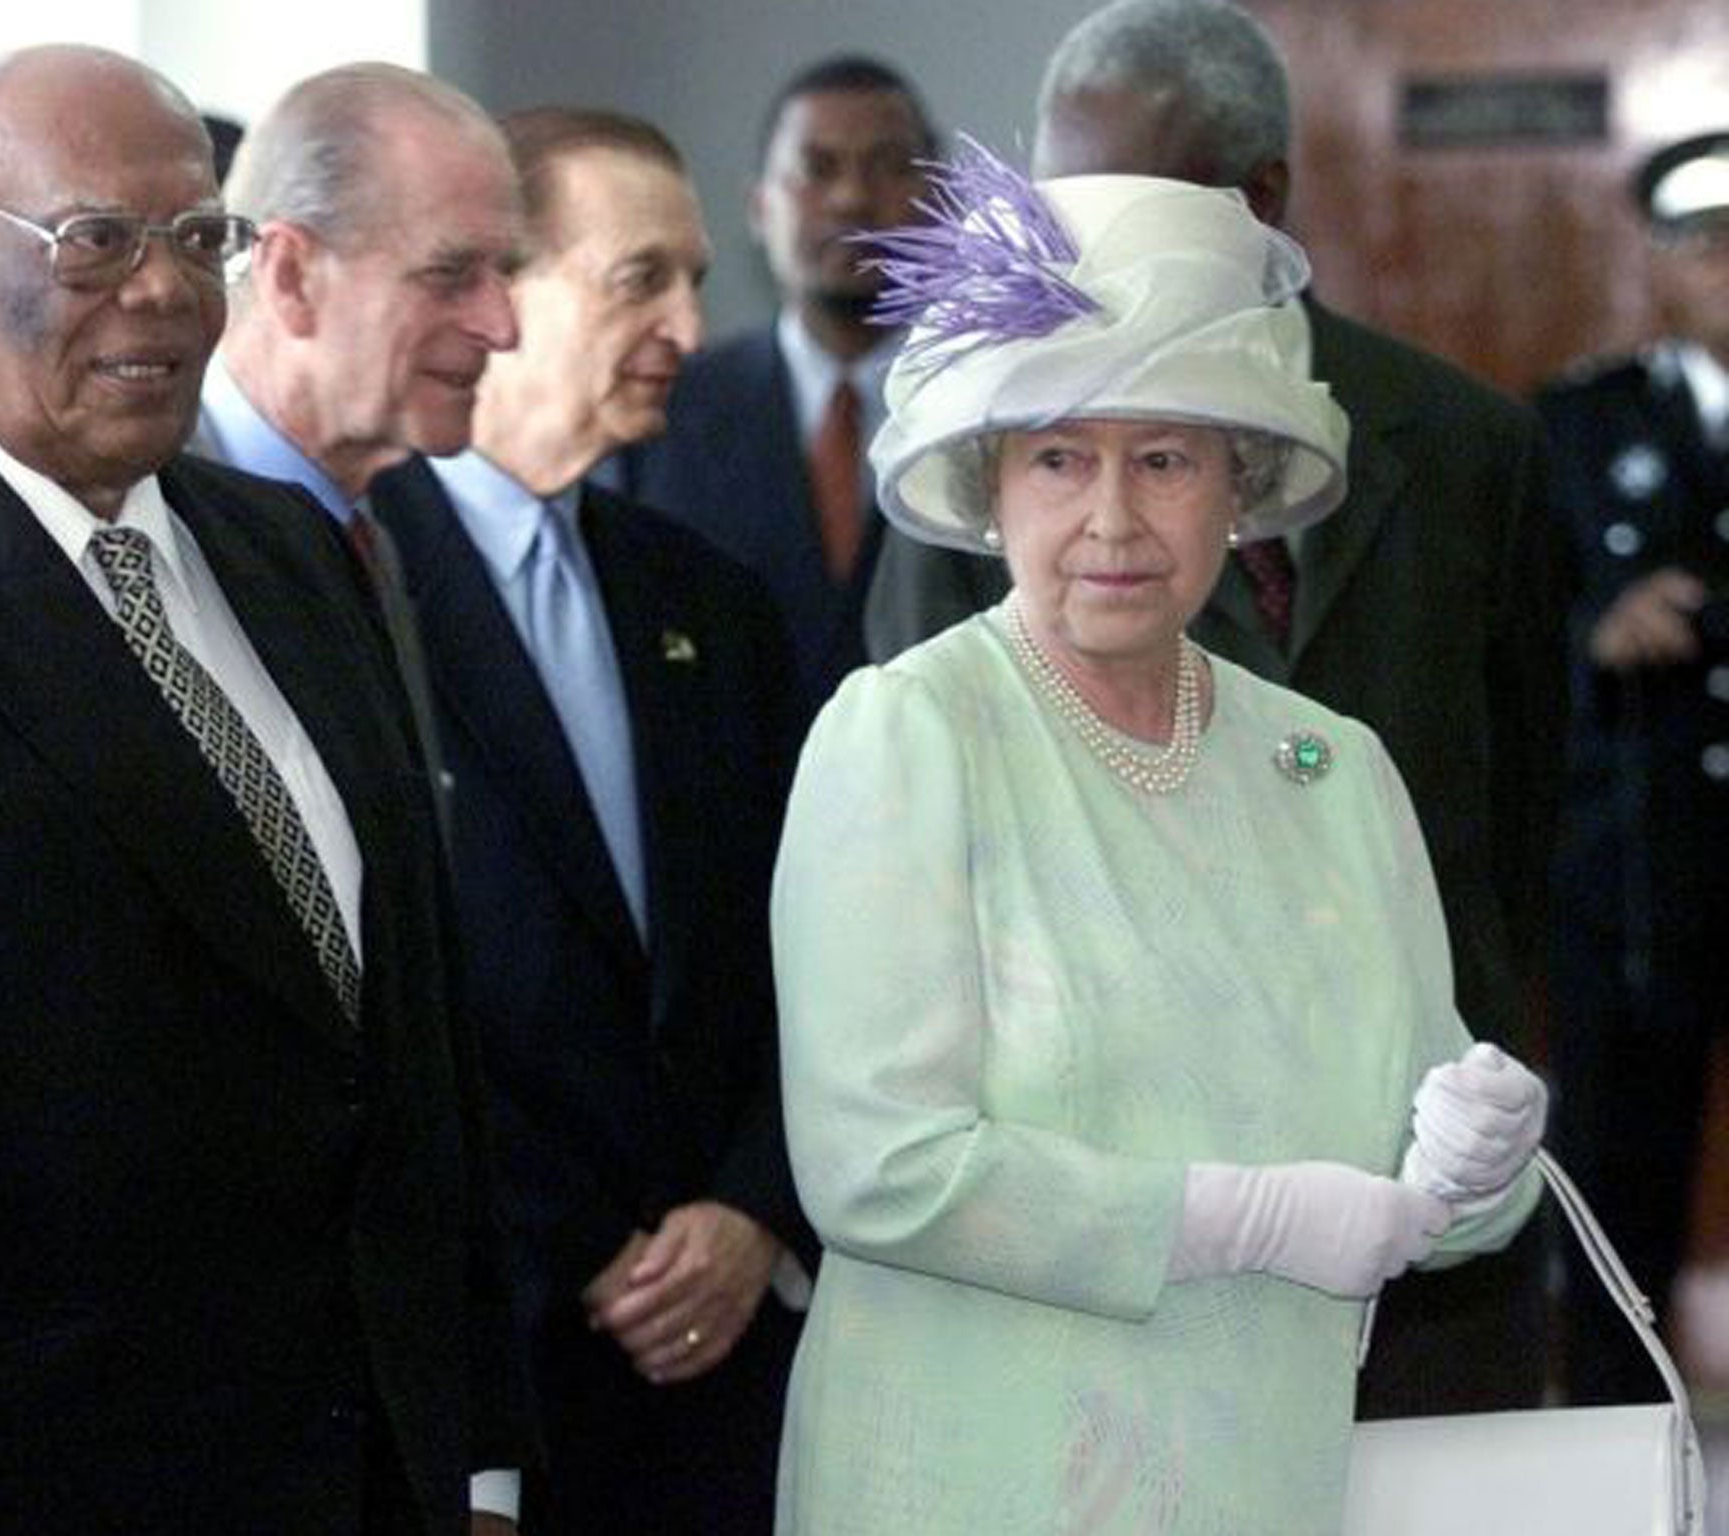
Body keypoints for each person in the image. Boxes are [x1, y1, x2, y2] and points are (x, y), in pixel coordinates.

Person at [0, 44, 527, 1534]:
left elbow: (407, 1045)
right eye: (94, 241)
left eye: (198, 238)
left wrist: (480, 1460)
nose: (161, 291)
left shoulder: (294, 553)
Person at [772, 152, 1547, 1533]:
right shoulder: (909, 735)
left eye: (1168, 460)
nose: (1115, 520)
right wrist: (1245, 1220)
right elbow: (877, 1166)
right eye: (1061, 458)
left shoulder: (1333, 769)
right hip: (978, 1478)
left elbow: (1404, 1174)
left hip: (1260, 1473)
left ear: (1238, 488)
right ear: (990, 486)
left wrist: (1478, 1171)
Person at [370, 108, 814, 1534]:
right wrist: (580, 1246)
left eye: (695, 279)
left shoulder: (711, 599)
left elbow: (797, 944)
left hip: (729, 1368)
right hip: (490, 1366)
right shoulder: (345, 586)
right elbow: (390, 993)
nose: (690, 324)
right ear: (501, 289)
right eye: (641, 281)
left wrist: (752, 1207)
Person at [196, 62, 522, 838]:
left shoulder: (376, 534)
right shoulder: (137, 534)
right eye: (450, 276)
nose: (503, 327)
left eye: (503, 273)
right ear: (291, 276)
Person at [1536, 130, 1729, 1404]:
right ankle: (1617, 1453)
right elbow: (1506, 635)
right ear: (1656, 266)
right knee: (1618, 1198)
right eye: (1704, 246)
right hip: (1639, 890)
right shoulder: (1576, 423)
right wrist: (1593, 637)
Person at [605, 56, 934, 724]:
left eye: (885, 165)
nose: (850, 198)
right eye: (816, 168)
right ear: (759, 208)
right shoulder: (662, 407)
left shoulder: (994, 416)